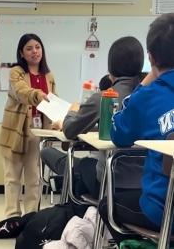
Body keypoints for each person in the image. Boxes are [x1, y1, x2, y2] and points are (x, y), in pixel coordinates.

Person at [98, 13, 174, 246]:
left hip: (162, 209)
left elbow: (118, 135)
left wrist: (146, 81)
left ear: (150, 58)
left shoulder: (146, 97)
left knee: (106, 205)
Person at [41, 36, 145, 200]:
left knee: (52, 153)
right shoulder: (152, 98)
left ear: (111, 67)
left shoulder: (103, 98)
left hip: (109, 185)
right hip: (147, 186)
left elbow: (69, 130)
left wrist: (72, 111)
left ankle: (65, 186)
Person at [0, 33, 56, 218]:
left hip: (36, 133)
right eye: (29, 48)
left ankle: (31, 217)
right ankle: (12, 218)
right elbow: (21, 92)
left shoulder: (49, 75)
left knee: (33, 178)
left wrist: (58, 121)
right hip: (15, 132)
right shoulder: (16, 72)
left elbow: (52, 103)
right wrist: (38, 95)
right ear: (22, 53)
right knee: (12, 178)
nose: (34, 51)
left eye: (37, 47)